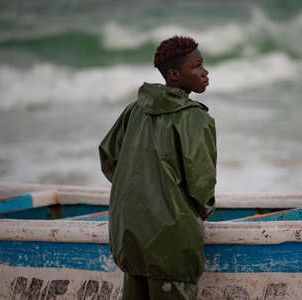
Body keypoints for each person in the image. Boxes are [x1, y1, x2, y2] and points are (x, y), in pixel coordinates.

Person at [99, 36, 216, 299]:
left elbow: (108, 157)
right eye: (197, 66)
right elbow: (201, 187)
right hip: (172, 242)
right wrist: (195, 213)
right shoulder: (196, 118)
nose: (205, 72)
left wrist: (138, 196)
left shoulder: (134, 109)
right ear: (174, 74)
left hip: (129, 234)